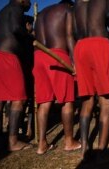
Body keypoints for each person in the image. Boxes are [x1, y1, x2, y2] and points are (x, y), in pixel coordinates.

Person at [73, 0, 109, 158]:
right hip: (99, 43)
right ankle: (100, 152)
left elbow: (74, 28)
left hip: (80, 46)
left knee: (86, 100)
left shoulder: (78, 2)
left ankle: (84, 148)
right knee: (105, 100)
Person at [33, 0, 81, 155]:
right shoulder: (67, 10)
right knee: (66, 100)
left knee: (44, 101)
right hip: (57, 55)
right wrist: (74, 62)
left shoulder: (41, 15)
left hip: (39, 56)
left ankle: (41, 144)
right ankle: (69, 141)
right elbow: (68, 36)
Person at [0, 0, 32, 151]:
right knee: (19, 98)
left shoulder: (1, 12)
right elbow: (15, 28)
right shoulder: (16, 8)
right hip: (8, 56)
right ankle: (13, 142)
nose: (29, 3)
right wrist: (27, 34)